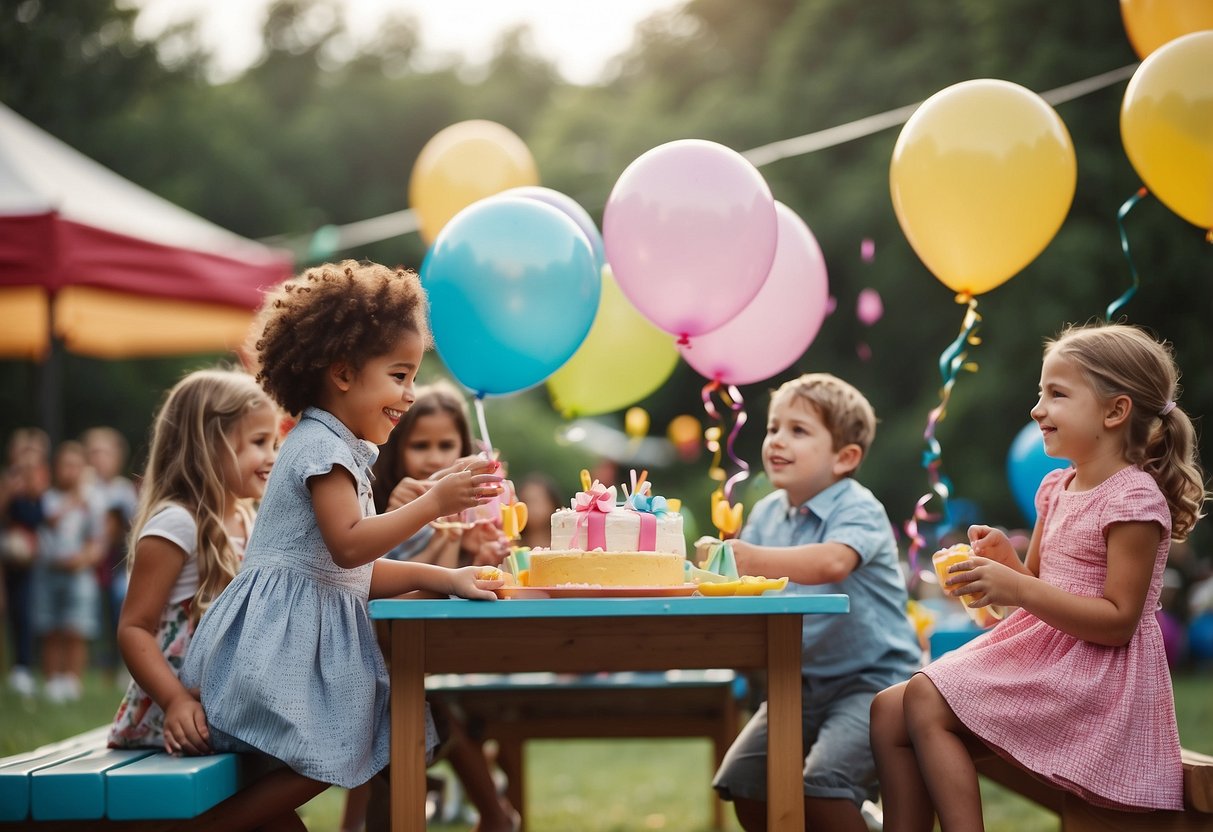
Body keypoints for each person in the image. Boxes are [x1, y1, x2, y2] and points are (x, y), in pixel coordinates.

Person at [179, 260, 505, 831]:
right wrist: (430, 504)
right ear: (344, 373)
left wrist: (446, 579)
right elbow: (351, 548)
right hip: (276, 651)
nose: (408, 395)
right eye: (399, 376)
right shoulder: (318, 450)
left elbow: (354, 573)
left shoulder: (339, 449)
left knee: (320, 772)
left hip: (293, 645)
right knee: (337, 756)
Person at [870, 322, 1207, 829]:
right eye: (1040, 392)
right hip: (1048, 658)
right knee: (886, 712)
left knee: (922, 697)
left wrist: (1017, 585)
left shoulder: (1133, 500)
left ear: (1115, 412)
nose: (1036, 409)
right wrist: (1006, 564)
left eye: (1056, 394)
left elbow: (1118, 622)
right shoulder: (1056, 487)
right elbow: (1032, 596)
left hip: (1098, 680)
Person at [712, 373, 921, 832]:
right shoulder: (767, 513)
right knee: (745, 780)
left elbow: (833, 562)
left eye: (798, 431)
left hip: (874, 682)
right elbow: (748, 589)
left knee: (824, 783)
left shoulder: (857, 506)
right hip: (797, 682)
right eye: (772, 428)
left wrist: (751, 559)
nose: (777, 441)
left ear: (845, 457)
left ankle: (861, 820)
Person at [343, 379, 516, 832]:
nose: (436, 458)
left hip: (434, 654)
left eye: (447, 444)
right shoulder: (388, 507)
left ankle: (493, 814)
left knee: (421, 710)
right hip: (377, 653)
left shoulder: (475, 510)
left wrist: (481, 551)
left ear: (465, 446)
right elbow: (392, 583)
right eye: (421, 445)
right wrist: (429, 519)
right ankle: (495, 816)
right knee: (410, 712)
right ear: (397, 447)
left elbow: (469, 576)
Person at [107, 368, 277, 754]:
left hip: (227, 706)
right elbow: (134, 628)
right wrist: (175, 702)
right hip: (180, 718)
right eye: (259, 442)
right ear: (208, 445)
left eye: (275, 443)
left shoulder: (249, 520)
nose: (272, 457)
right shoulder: (177, 523)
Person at [34, 440, 102, 703]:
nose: (70, 471)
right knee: (50, 626)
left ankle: (72, 681)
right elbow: (44, 526)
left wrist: (84, 559)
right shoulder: (47, 498)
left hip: (79, 573)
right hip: (48, 571)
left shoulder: (92, 502)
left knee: (76, 627)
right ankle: (52, 681)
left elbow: (98, 540)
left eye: (76, 466)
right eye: (65, 465)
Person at [83, 426, 140, 684]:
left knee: (121, 606)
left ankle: (122, 664)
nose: (99, 459)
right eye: (93, 452)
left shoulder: (123, 490)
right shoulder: (82, 488)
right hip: (85, 564)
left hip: (116, 565)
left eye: (105, 453)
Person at [1, 428, 50, 697]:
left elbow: (40, 517)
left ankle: (23, 667)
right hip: (7, 557)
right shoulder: (9, 482)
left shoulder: (39, 488)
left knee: (25, 611)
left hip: (29, 561)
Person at [517, 473, 562, 550]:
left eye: (536, 501)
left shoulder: (564, 543)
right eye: (526, 501)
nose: (531, 507)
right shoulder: (513, 546)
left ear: (552, 503)